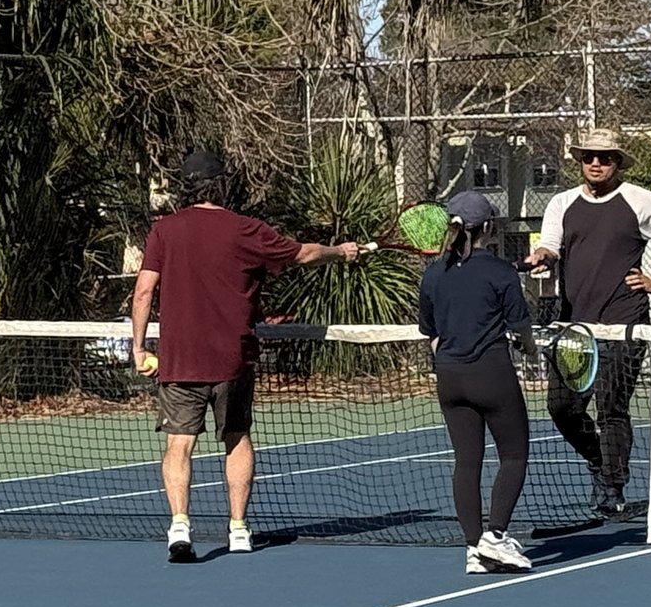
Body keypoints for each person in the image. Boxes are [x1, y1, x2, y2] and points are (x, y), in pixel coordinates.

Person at [128, 150, 361, 562]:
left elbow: (144, 289)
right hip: (232, 359)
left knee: (178, 444)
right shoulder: (244, 229)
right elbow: (303, 254)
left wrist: (139, 347)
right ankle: (238, 528)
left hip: (180, 360)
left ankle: (179, 525)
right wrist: (338, 253)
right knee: (236, 438)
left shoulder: (164, 231)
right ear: (221, 185)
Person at [524, 128, 651, 521]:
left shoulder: (640, 200)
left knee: (612, 408)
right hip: (574, 328)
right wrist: (541, 256)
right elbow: (550, 246)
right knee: (561, 407)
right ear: (580, 161)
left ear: (618, 162)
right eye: (589, 157)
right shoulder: (562, 203)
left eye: (604, 158)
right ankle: (599, 463)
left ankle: (613, 487)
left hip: (625, 324)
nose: (596, 164)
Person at [418, 190, 536, 575]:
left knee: (466, 462)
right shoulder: (501, 271)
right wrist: (530, 349)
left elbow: (430, 331)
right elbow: (520, 327)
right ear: (488, 227)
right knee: (514, 454)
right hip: (492, 374)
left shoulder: (433, 274)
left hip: (449, 377)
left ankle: (474, 548)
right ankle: (495, 536)